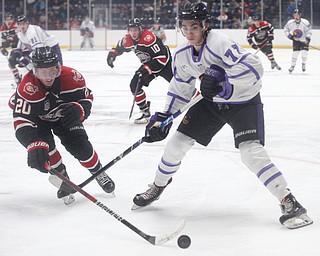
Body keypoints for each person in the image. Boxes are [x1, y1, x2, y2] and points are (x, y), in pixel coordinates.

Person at [132, 2, 312, 229]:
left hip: (243, 100)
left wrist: (225, 83)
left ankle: (289, 202)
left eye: (194, 27)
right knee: (176, 144)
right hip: (212, 103)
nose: (189, 33)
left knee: (250, 153)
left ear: (205, 25)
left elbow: (255, 68)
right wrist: (164, 115)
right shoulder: (183, 54)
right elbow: (180, 87)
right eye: (185, 27)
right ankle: (157, 187)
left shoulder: (220, 43)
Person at [10, 46, 115, 204]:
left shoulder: (72, 77)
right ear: (34, 71)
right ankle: (63, 177)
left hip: (64, 117)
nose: (48, 77)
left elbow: (87, 98)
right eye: (43, 72)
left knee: (82, 147)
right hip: (39, 121)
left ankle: (98, 171)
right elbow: (20, 119)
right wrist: (32, 144)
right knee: (46, 150)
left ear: (58, 67)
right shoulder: (27, 88)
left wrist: (79, 110)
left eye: (52, 71)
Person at [106, 18, 173, 124]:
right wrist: (113, 54)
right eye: (131, 30)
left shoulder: (148, 38)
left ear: (140, 29)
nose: (133, 33)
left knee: (179, 85)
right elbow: (119, 47)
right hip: (150, 64)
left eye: (136, 30)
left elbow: (161, 58)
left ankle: (196, 98)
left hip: (165, 63)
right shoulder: (127, 39)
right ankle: (145, 112)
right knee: (135, 85)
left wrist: (146, 69)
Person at [8, 15, 63, 87]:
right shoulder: (20, 32)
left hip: (51, 47)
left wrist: (27, 59)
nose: (22, 26)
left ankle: (60, 84)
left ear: (27, 24)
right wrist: (17, 53)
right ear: (17, 25)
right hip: (41, 48)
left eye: (24, 24)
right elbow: (22, 43)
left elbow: (38, 49)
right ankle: (27, 81)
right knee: (36, 65)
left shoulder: (31, 32)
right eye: (20, 24)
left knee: (57, 68)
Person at [284, 9, 312, 73]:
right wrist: (291, 36)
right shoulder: (290, 22)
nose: (296, 16)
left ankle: (303, 64)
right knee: (295, 54)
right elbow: (285, 30)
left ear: (300, 15)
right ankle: (292, 66)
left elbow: (309, 31)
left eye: (297, 15)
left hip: (304, 40)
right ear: (293, 15)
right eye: (295, 15)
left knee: (304, 53)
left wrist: (307, 39)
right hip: (296, 40)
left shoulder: (305, 22)